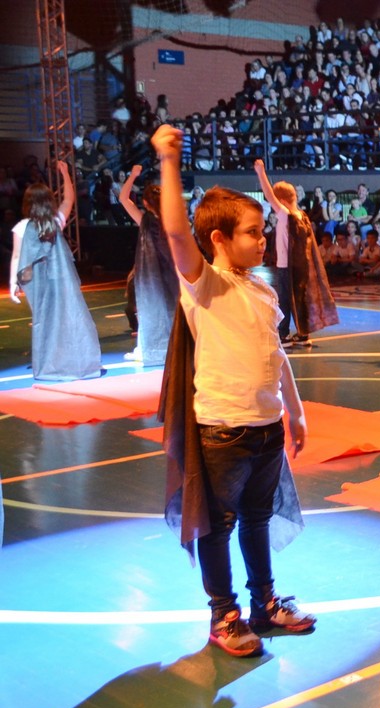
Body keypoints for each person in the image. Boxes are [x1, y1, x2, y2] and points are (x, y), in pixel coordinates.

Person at [151, 124, 315, 658]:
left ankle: (264, 603)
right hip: (223, 429)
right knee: (218, 525)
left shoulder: (262, 289)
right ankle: (224, 614)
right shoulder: (206, 286)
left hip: (266, 429)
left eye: (263, 231)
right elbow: (177, 234)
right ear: (219, 239)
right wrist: (169, 162)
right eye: (252, 232)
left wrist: (295, 410)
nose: (262, 239)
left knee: (256, 519)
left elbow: (276, 353)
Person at [7, 161, 102, 382]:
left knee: (44, 320)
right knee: (66, 317)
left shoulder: (22, 227)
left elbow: (17, 257)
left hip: (36, 282)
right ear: (49, 201)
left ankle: (50, 361)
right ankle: (73, 359)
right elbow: (69, 199)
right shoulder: (55, 221)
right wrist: (65, 173)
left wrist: (14, 283)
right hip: (60, 279)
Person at [254, 161, 339, 348]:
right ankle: (302, 333)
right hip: (302, 266)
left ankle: (283, 335)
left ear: (281, 201)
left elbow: (268, 195)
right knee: (299, 299)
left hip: (287, 266)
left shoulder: (286, 215)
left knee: (284, 300)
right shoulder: (302, 215)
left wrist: (261, 173)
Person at [118, 165, 178, 366]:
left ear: (145, 203)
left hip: (151, 273)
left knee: (150, 309)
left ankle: (149, 348)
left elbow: (123, 198)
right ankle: (173, 347)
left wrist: (133, 175)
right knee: (172, 308)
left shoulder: (145, 219)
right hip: (172, 270)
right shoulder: (172, 220)